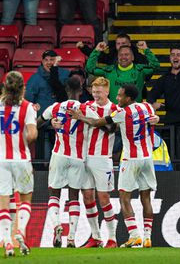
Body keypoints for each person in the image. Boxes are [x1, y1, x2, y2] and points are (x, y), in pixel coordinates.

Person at [70, 84, 160, 248]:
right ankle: (147, 237)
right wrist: (157, 118)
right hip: (147, 158)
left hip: (131, 159)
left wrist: (80, 117)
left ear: (129, 98)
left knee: (124, 198)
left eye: (120, 96)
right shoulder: (146, 107)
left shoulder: (121, 112)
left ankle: (134, 235)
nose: (117, 98)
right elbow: (154, 117)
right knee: (145, 198)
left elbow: (97, 122)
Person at [0, 71, 38, 256]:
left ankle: (7, 242)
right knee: (25, 199)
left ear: (5, 87)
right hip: (21, 159)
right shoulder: (28, 107)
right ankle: (20, 230)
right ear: (22, 88)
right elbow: (32, 134)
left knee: (3, 203)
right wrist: (22, 137)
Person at [39, 76, 99, 248]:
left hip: (59, 155)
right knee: (74, 197)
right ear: (81, 91)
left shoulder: (55, 107)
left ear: (66, 90)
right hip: (78, 157)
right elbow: (99, 123)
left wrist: (51, 122)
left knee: (54, 194)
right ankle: (71, 238)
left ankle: (57, 225)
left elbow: (37, 123)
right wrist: (83, 119)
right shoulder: (85, 108)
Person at [78, 76, 119, 248]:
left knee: (104, 198)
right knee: (87, 197)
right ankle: (96, 237)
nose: (96, 95)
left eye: (99, 92)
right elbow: (69, 115)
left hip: (103, 159)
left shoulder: (115, 109)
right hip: (85, 157)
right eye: (94, 92)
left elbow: (110, 129)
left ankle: (112, 238)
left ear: (107, 91)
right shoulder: (86, 106)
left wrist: (87, 119)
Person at [25, 50, 71, 159]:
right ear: (42, 61)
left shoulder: (64, 75)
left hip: (60, 120)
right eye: (46, 60)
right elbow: (29, 99)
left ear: (56, 61)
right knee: (42, 154)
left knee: (59, 153)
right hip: (42, 122)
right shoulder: (35, 78)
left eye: (52, 59)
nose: (49, 62)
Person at [86, 41, 159, 103]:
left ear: (132, 57)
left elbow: (156, 66)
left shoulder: (140, 70)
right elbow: (89, 68)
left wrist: (146, 50)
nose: (123, 57)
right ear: (117, 57)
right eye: (121, 55)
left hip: (135, 114)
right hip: (115, 113)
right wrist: (97, 51)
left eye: (126, 54)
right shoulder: (109, 71)